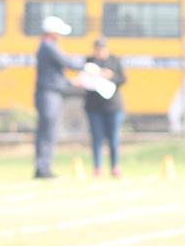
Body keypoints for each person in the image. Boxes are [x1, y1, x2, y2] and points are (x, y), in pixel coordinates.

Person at [34, 16, 83, 179]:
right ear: (52, 32)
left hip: (51, 93)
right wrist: (87, 65)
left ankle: (44, 166)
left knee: (48, 131)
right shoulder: (48, 47)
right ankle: (43, 168)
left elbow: (56, 73)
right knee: (47, 131)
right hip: (48, 94)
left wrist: (69, 81)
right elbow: (67, 62)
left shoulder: (48, 46)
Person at [83, 36, 127, 178]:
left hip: (112, 106)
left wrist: (111, 76)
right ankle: (97, 168)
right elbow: (84, 80)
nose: (99, 52)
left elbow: (123, 79)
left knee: (113, 137)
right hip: (94, 106)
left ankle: (115, 167)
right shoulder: (89, 62)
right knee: (97, 137)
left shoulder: (114, 61)